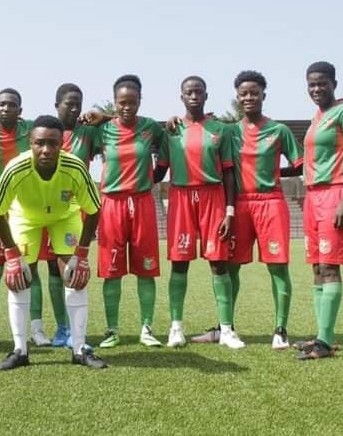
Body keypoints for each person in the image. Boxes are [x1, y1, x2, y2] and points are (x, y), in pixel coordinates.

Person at [190, 71, 303, 349]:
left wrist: (275, 171)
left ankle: (280, 330)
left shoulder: (279, 130)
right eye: (243, 94)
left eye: (254, 92)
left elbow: (300, 164)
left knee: (278, 267)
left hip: (271, 202)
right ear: (237, 98)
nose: (249, 97)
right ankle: (225, 327)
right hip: (238, 204)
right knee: (230, 267)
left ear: (264, 95)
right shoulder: (229, 131)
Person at [0, 115, 107, 370]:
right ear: (30, 143)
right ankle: (20, 350)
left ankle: (79, 349)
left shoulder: (75, 167)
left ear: (61, 144)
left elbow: (95, 210)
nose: (46, 149)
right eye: (39, 143)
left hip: (64, 217)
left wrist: (82, 254)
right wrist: (12, 256)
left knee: (75, 275)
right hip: (26, 218)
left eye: (53, 143)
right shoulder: (15, 168)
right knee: (19, 277)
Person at [156, 76, 244, 349]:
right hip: (180, 197)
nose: (193, 96)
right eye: (188, 92)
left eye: (198, 92)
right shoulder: (171, 130)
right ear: (181, 97)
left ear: (206, 96)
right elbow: (159, 171)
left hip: (213, 197)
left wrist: (229, 212)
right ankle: (176, 328)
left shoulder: (221, 129)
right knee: (179, 263)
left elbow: (229, 172)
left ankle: (227, 329)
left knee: (218, 263)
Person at [0, 88, 52, 347]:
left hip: (27, 216)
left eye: (12, 105)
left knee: (33, 272)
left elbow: (59, 124)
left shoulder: (30, 131)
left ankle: (37, 329)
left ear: (20, 110)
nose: (6, 108)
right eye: (1, 105)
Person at [88, 75, 165, 349]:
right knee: (111, 272)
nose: (127, 107)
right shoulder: (102, 130)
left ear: (140, 101)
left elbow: (165, 158)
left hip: (142, 203)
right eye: (122, 103)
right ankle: (112, 330)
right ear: (115, 102)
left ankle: (146, 328)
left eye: (132, 102)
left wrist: (150, 180)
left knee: (146, 271)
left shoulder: (151, 128)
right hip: (111, 204)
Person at [294, 61, 343, 359]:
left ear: (334, 82)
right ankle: (323, 336)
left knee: (329, 266)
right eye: (311, 84)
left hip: (335, 193)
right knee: (316, 267)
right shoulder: (317, 117)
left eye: (322, 83)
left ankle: (324, 344)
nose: (316, 89)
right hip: (313, 196)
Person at [43, 83, 99, 347]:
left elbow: (124, 122)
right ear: (57, 105)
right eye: (69, 103)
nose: (75, 108)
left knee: (73, 268)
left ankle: (77, 332)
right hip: (44, 209)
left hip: (75, 212)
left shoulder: (88, 133)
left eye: (78, 103)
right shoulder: (44, 133)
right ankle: (61, 328)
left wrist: (103, 116)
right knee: (52, 269)